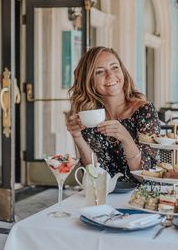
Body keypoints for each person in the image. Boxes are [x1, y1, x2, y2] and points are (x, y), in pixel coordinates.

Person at [66, 46, 161, 183]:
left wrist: (126, 138)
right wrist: (77, 137)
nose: (110, 75)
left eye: (115, 67)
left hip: (142, 197)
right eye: (99, 72)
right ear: (89, 80)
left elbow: (145, 176)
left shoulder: (144, 111)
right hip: (105, 195)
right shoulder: (90, 117)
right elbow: (94, 174)